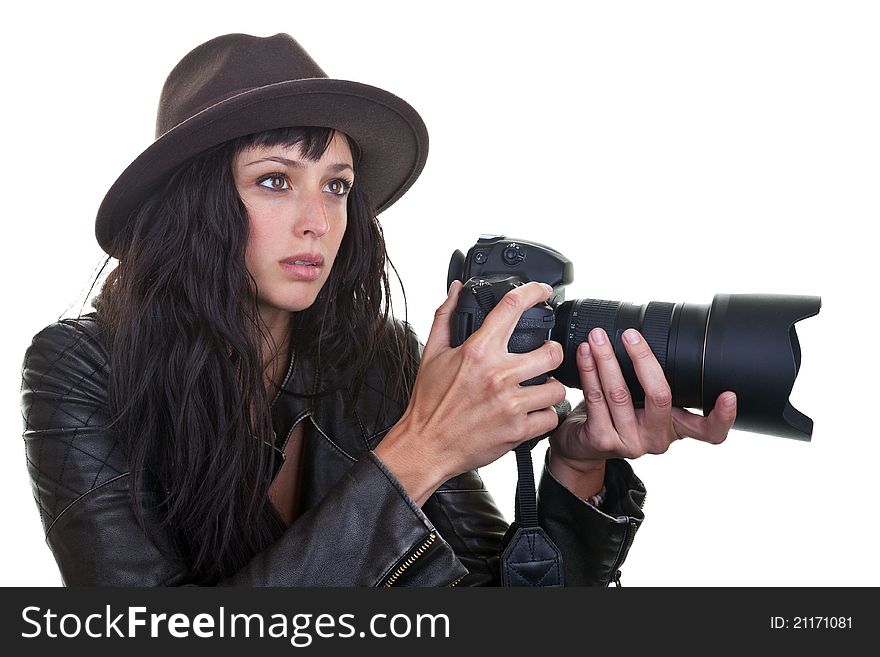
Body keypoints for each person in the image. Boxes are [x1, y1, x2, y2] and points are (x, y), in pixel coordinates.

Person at [20, 33, 737, 587]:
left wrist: (577, 466)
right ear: (194, 205)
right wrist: (420, 451)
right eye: (276, 180)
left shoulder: (376, 362)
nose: (318, 221)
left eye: (337, 187)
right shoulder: (80, 369)